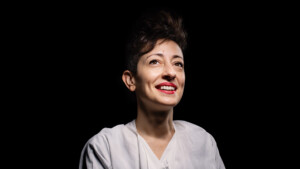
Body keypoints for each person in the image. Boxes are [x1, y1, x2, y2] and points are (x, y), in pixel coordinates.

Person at [79, 8, 225, 169]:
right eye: (155, 61)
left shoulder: (203, 143)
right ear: (130, 80)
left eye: (178, 64)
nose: (170, 73)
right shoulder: (105, 148)